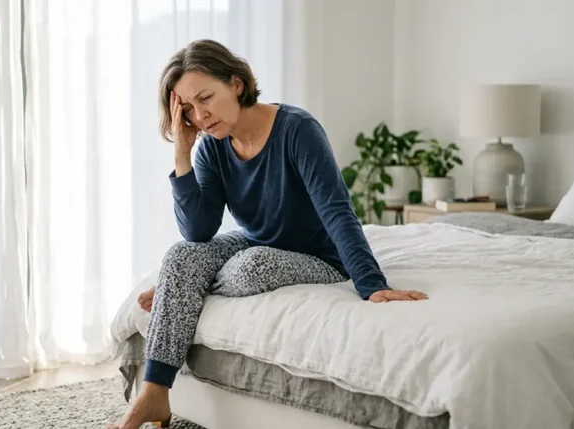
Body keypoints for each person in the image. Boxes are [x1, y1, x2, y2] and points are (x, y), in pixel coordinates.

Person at [109, 39, 428, 429]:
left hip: (319, 256)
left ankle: (185, 288)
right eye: (188, 109)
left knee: (250, 268)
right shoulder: (212, 146)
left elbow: (336, 209)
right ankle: (155, 392)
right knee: (180, 257)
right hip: (257, 239)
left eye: (206, 97)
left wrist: (372, 283)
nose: (200, 115)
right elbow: (199, 231)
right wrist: (182, 153)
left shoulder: (298, 130)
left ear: (236, 84)